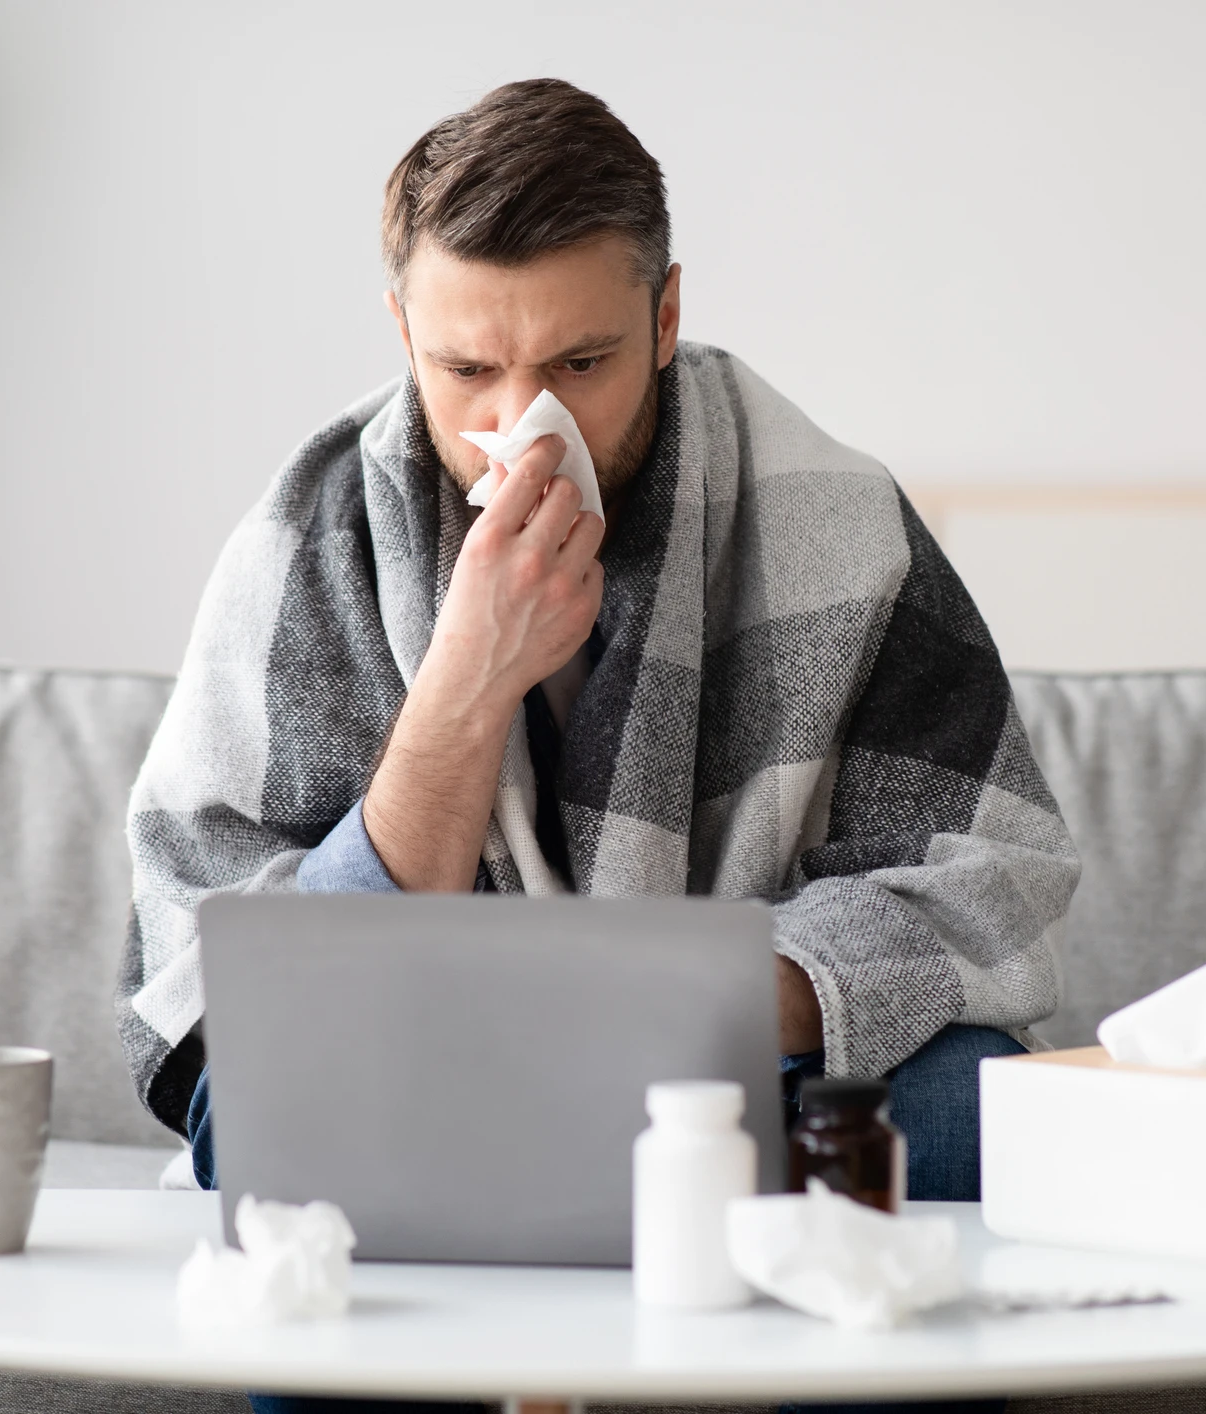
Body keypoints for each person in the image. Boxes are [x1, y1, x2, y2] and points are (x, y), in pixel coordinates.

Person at [117, 78, 1078, 1414]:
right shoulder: (310, 538)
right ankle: (663, 1226)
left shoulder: (838, 521)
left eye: (580, 364)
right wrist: (463, 682)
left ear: (666, 318)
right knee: (268, 1124)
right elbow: (222, 959)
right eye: (467, 372)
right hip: (422, 1074)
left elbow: (983, 871)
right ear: (404, 332)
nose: (526, 426)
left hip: (740, 1082)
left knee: (984, 1110)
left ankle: (536, 1209)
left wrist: (695, 1006)